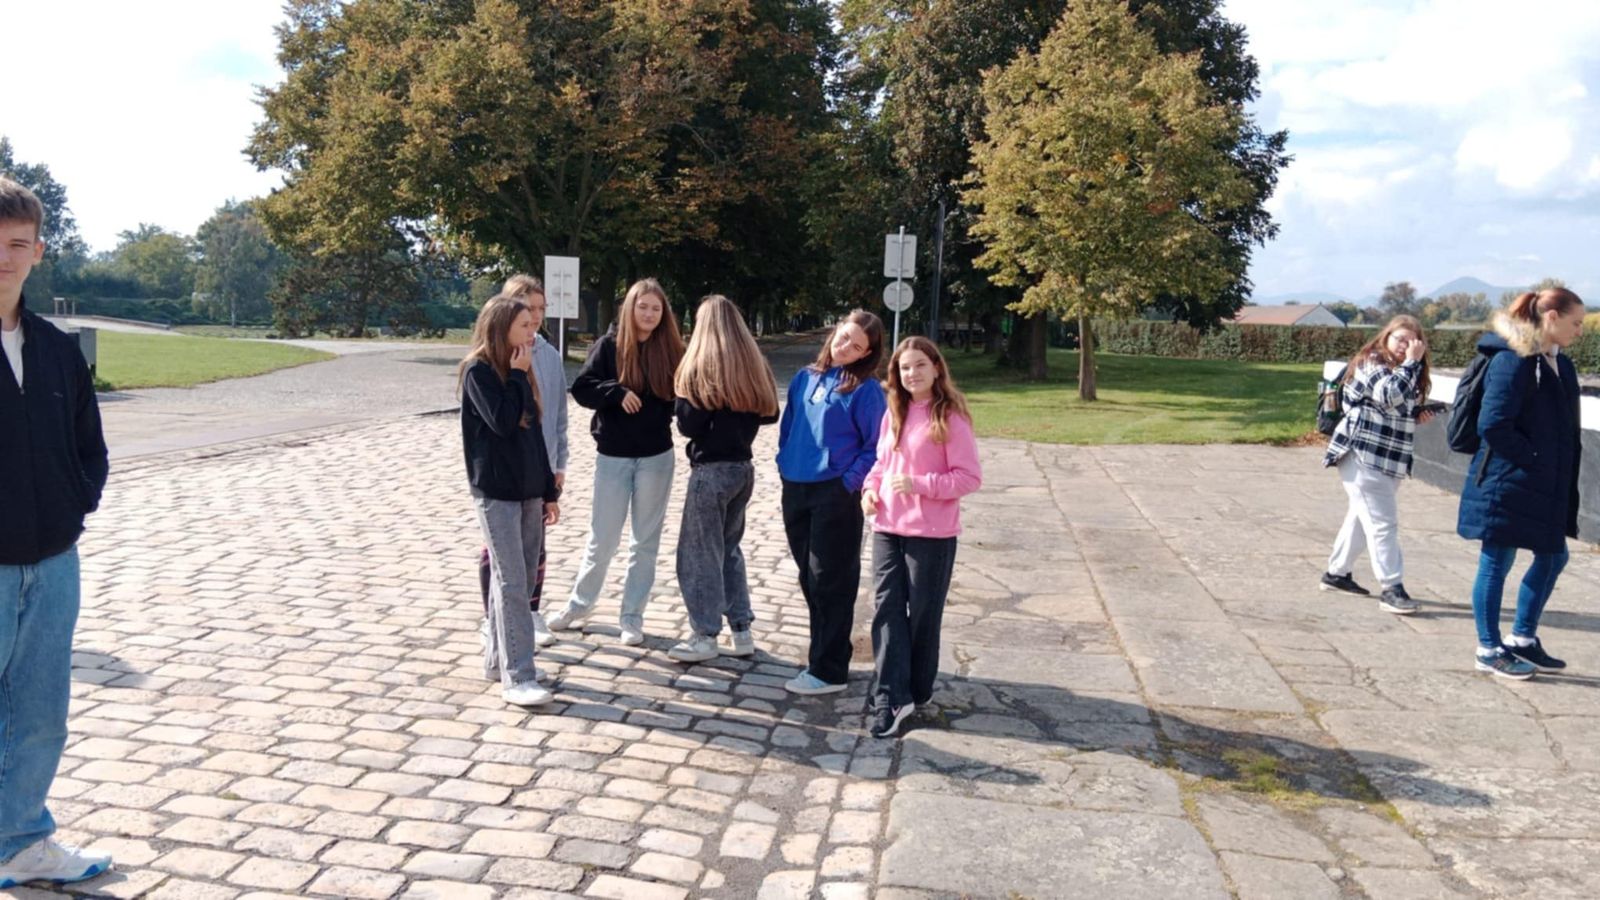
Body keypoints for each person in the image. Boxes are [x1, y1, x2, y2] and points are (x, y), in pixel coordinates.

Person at [0, 177, 114, 888]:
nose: (4, 259)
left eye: (17, 244)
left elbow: (88, 446)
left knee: (41, 713)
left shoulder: (55, 348)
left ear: (39, 252)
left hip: (53, 562)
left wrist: (74, 507)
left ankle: (21, 840)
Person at [546, 279, 685, 645]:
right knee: (602, 538)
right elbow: (582, 389)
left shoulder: (671, 350)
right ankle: (579, 605)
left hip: (656, 456)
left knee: (645, 543)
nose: (649, 314)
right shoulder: (608, 346)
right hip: (613, 456)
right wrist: (616, 392)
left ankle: (632, 616)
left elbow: (683, 395)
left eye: (656, 308)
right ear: (630, 308)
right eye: (643, 306)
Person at [1458, 288, 1584, 680]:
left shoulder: (1558, 363)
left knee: (1553, 556)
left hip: (1542, 482)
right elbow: (1493, 425)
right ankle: (1488, 648)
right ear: (1551, 317)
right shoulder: (1512, 360)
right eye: (1576, 322)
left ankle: (1522, 638)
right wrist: (1534, 458)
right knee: (1496, 561)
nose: (1580, 330)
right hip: (1506, 480)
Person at [861, 337, 981, 738]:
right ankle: (891, 696)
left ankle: (917, 687)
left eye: (919, 365)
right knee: (887, 609)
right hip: (887, 528)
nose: (911, 374)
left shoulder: (950, 416)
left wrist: (920, 484)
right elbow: (881, 463)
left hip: (932, 534)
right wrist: (869, 490)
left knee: (923, 617)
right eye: (904, 367)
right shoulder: (894, 411)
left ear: (936, 368)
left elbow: (969, 477)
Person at [459, 295, 563, 706]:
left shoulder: (524, 370)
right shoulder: (479, 372)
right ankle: (519, 675)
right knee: (512, 582)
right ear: (501, 329)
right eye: (524, 325)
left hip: (529, 492)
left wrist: (549, 493)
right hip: (497, 494)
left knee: (524, 579)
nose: (532, 331)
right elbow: (502, 422)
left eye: (533, 324)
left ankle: (498, 661)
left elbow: (534, 436)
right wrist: (518, 376)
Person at [776, 310, 887, 695]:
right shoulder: (804, 378)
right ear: (835, 331)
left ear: (866, 353)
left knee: (830, 580)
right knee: (809, 578)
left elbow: (876, 446)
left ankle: (829, 670)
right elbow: (789, 426)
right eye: (844, 337)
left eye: (856, 347)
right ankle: (823, 654)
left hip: (835, 493)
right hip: (796, 487)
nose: (845, 348)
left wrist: (847, 483)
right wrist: (784, 462)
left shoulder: (866, 390)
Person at [666, 296, 780, 663]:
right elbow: (770, 414)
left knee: (699, 554)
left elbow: (688, 425)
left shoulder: (702, 368)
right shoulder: (751, 363)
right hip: (742, 470)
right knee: (729, 550)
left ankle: (704, 634)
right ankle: (741, 629)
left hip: (711, 471)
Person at [473, 275, 569, 649]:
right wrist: (516, 374)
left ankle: (529, 612)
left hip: (538, 470)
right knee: (500, 556)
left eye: (542, 310)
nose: (537, 318)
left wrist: (557, 466)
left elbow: (557, 416)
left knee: (533, 552)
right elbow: (500, 420)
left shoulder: (549, 355)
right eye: (529, 310)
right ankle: (494, 620)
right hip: (504, 478)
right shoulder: (485, 367)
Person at [1319, 314, 1434, 615]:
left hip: (1390, 458)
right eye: (1400, 339)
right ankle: (1391, 588)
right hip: (1362, 454)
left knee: (1362, 518)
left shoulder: (1405, 370)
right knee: (1383, 524)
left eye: (1412, 341)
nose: (1405, 346)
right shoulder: (1371, 361)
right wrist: (1412, 362)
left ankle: (1336, 573)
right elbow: (1388, 393)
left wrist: (1416, 414)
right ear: (1386, 337)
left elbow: (1392, 407)